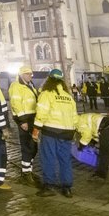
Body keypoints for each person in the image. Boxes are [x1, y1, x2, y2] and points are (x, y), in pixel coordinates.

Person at [32, 69, 77, 197]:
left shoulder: (46, 94)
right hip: (67, 132)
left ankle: (49, 186)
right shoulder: (69, 97)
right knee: (65, 160)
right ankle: (67, 188)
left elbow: (41, 113)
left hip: (51, 131)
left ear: (49, 79)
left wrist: (36, 130)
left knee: (48, 158)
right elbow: (75, 116)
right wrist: (74, 131)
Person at [8, 66, 39, 184]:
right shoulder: (16, 86)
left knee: (33, 146)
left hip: (33, 119)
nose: (30, 76)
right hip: (25, 120)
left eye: (31, 74)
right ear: (21, 74)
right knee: (27, 146)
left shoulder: (30, 85)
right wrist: (22, 121)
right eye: (27, 74)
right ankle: (26, 173)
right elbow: (16, 104)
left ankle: (28, 170)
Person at [76, 112, 109, 180]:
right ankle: (102, 168)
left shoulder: (78, 123)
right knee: (104, 150)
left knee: (104, 152)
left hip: (107, 129)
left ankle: (101, 174)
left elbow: (87, 134)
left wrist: (81, 146)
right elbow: (94, 131)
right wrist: (93, 142)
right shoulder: (82, 117)